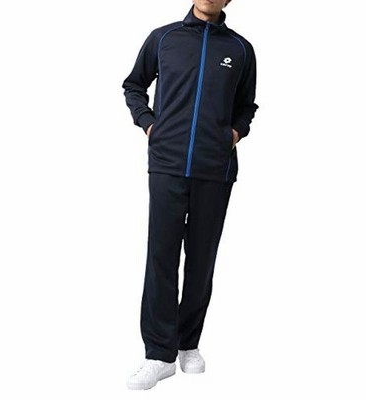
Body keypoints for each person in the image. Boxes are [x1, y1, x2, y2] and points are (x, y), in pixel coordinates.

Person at [122, 0, 258, 390]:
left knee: (201, 259)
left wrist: (234, 133)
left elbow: (246, 106)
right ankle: (158, 354)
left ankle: (188, 343)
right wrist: (149, 125)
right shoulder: (163, 38)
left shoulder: (240, 49)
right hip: (167, 163)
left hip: (215, 169)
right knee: (161, 256)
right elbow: (134, 86)